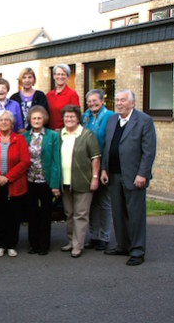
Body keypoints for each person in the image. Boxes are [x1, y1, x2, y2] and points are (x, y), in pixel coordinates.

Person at [101, 90, 156, 266]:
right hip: (114, 174)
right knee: (117, 213)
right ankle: (123, 245)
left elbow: (149, 151)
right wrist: (103, 169)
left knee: (135, 214)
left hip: (134, 176)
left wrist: (143, 174)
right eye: (117, 100)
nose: (119, 103)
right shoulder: (111, 120)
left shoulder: (144, 121)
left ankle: (138, 250)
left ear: (132, 103)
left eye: (123, 100)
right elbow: (106, 146)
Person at [0, 110, 30, 258]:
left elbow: (25, 161)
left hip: (14, 184)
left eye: (7, 120)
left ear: (12, 123)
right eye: (0, 120)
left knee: (14, 216)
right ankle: (0, 245)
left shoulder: (20, 139)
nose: (3, 122)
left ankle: (11, 245)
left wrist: (8, 177)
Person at [59, 105, 101, 258]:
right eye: (66, 116)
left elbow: (95, 157)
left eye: (72, 117)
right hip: (65, 182)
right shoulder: (59, 134)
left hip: (83, 181)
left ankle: (78, 245)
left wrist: (95, 178)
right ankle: (71, 241)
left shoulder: (86, 135)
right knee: (69, 214)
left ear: (78, 118)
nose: (69, 119)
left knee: (81, 214)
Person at [22, 105, 61, 255]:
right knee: (31, 214)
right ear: (30, 120)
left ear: (44, 119)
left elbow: (55, 160)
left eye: (39, 118)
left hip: (46, 180)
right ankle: (33, 244)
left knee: (45, 214)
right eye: (34, 118)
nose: (37, 121)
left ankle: (44, 245)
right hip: (30, 180)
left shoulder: (52, 136)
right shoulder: (25, 136)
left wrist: (55, 184)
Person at [82, 89, 115, 251]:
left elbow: (109, 143)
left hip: (104, 166)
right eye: (89, 101)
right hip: (87, 166)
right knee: (92, 203)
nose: (92, 104)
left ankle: (105, 236)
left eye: (95, 101)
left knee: (104, 202)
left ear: (102, 101)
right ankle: (94, 235)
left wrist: (105, 168)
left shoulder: (110, 117)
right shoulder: (85, 116)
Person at [10, 67, 49, 132]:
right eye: (24, 77)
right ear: (20, 80)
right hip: (17, 134)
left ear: (34, 79)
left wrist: (27, 130)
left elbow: (44, 115)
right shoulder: (14, 97)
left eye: (30, 77)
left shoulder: (40, 96)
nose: (27, 80)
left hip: (36, 132)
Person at [46, 64, 80, 131]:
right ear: (54, 76)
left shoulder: (72, 94)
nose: (60, 77)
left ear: (67, 77)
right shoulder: (48, 95)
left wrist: (63, 129)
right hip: (50, 133)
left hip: (66, 133)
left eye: (63, 74)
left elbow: (76, 117)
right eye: (58, 74)